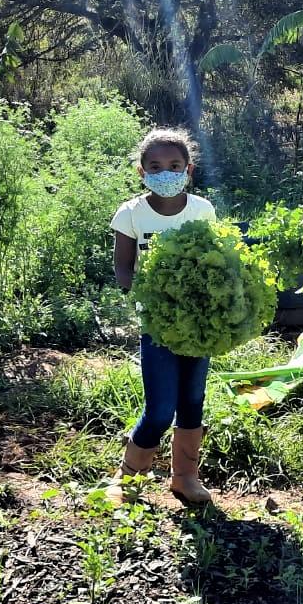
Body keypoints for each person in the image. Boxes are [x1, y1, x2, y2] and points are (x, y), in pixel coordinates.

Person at [105, 128, 217, 507]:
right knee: (159, 409)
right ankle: (128, 478)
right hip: (157, 325)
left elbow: (215, 262)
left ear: (188, 170)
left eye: (173, 166)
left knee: (192, 402)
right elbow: (123, 268)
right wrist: (146, 292)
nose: (164, 172)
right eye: (155, 166)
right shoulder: (131, 213)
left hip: (199, 325)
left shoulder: (202, 210)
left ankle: (185, 478)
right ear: (142, 171)